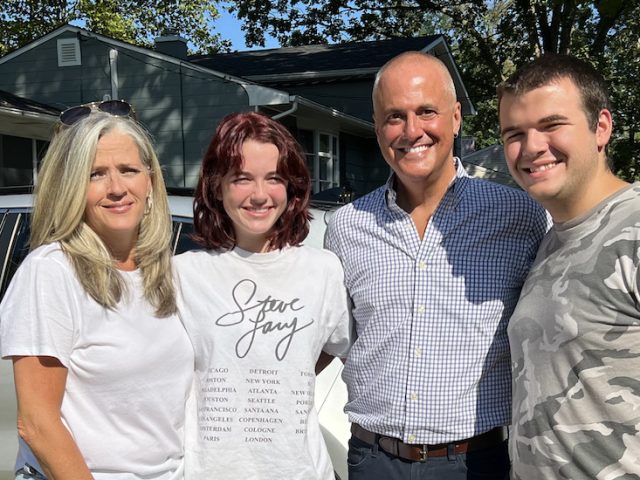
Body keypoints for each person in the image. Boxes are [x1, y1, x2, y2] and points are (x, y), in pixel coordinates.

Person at [325, 51, 549, 479]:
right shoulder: (347, 227)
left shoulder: (521, 216)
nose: (412, 131)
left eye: (427, 111)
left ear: (456, 117)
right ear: (377, 127)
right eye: (394, 116)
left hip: (476, 463)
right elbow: (329, 337)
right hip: (374, 460)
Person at [0, 101, 194, 480]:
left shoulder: (166, 272)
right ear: (72, 187)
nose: (117, 188)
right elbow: (37, 424)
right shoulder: (52, 271)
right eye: (95, 174)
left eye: (128, 170)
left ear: (150, 181)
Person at [173, 111, 351, 479]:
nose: (259, 195)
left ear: (291, 188)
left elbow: (332, 348)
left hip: (300, 471)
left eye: (273, 179)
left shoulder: (323, 271)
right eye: (242, 179)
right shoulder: (183, 275)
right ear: (217, 186)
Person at [498, 54, 640, 479]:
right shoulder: (550, 241)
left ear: (602, 127)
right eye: (515, 133)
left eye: (551, 125)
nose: (532, 147)